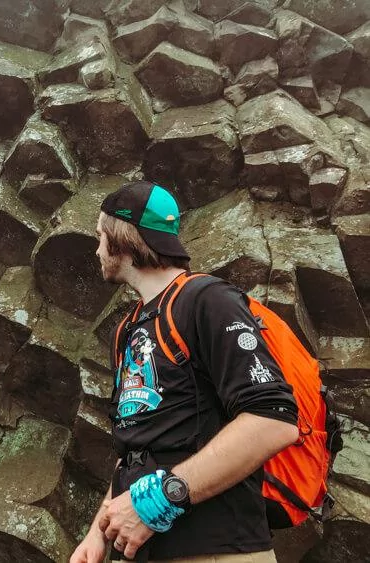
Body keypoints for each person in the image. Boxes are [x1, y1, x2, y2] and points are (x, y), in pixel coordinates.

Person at [70, 181, 299, 563]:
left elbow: (274, 419)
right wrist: (98, 533)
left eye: (99, 236)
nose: (96, 249)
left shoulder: (207, 300)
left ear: (121, 239)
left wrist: (156, 500)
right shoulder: (126, 330)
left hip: (217, 549)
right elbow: (135, 448)